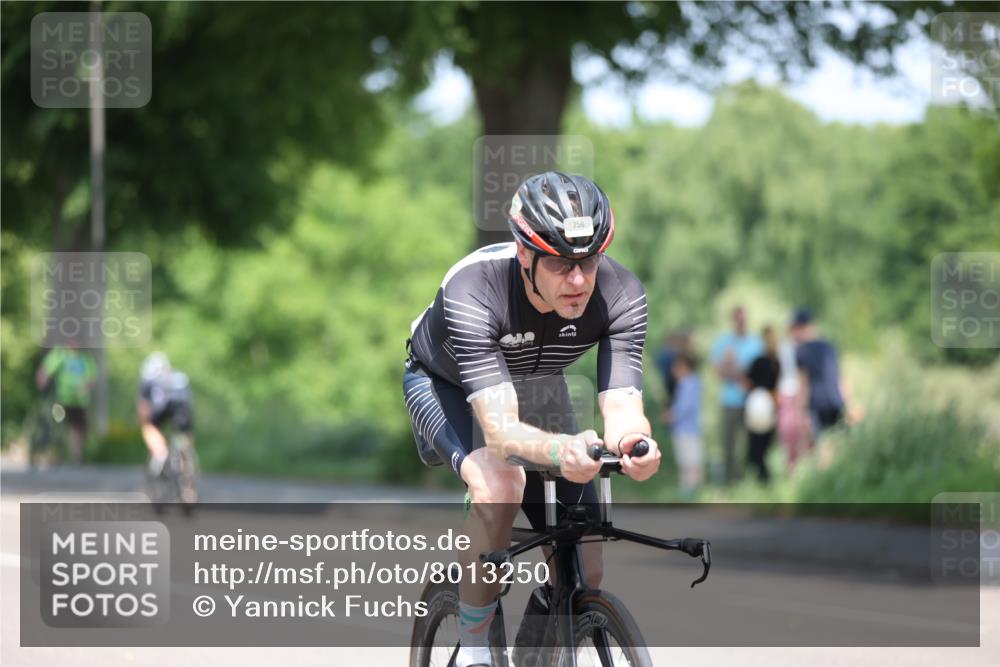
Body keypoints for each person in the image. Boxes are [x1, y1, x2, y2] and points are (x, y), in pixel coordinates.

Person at [403, 171, 661, 667]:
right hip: (446, 383)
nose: (579, 280)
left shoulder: (622, 292)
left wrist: (636, 446)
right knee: (499, 482)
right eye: (562, 264)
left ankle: (536, 650)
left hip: (539, 383)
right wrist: (561, 451)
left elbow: (624, 407)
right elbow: (500, 431)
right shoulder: (474, 288)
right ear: (525, 254)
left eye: (588, 261)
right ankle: (476, 652)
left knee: (586, 562)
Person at [709, 306, 763, 483]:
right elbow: (719, 371)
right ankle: (729, 481)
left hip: (752, 401)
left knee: (753, 443)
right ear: (733, 320)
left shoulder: (756, 343)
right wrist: (738, 372)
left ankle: (751, 479)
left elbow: (762, 371)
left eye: (743, 319)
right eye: (738, 319)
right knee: (728, 444)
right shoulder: (723, 343)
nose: (741, 323)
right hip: (730, 401)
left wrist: (736, 370)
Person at [137, 352, 196, 488]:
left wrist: (144, 422)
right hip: (183, 407)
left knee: (149, 427)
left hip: (161, 407)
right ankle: (188, 483)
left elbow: (143, 407)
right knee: (184, 438)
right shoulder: (180, 377)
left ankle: (160, 451)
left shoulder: (148, 378)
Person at [34, 343, 97, 464]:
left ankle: (76, 455)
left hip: (80, 400)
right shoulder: (61, 353)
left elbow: (92, 377)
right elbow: (46, 369)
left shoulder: (86, 357)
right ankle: (55, 452)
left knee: (79, 427)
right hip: (63, 398)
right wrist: (42, 379)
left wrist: (85, 386)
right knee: (58, 424)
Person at [790, 309, 845, 443]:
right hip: (836, 402)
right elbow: (840, 378)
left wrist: (801, 413)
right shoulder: (830, 346)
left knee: (821, 447)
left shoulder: (801, 351)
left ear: (799, 327)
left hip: (817, 407)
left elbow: (803, 384)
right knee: (838, 444)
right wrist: (847, 403)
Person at [745, 326, 781, 483]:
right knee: (758, 447)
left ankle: (765, 478)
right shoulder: (766, 362)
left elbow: (748, 382)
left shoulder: (774, 362)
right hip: (762, 405)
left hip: (765, 405)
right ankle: (763, 478)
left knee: (760, 447)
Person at [666, 353, 704, 497]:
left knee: (689, 460)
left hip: (686, 429)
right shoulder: (692, 383)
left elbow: (685, 407)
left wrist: (671, 415)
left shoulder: (688, 383)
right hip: (689, 428)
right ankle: (691, 489)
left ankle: (690, 490)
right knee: (690, 459)